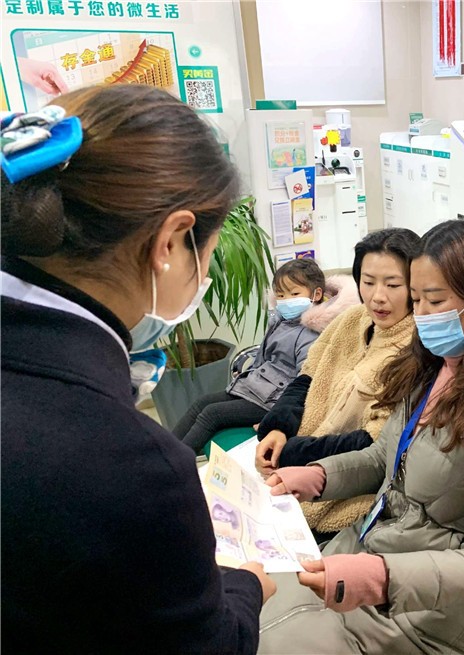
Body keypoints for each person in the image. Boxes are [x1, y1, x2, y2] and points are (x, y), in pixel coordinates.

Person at [1, 86, 276, 652]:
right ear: (171, 242)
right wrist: (245, 585)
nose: (203, 278)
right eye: (208, 254)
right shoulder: (128, 465)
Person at [257, 219, 464, 655]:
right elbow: (383, 458)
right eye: (417, 298)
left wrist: (379, 578)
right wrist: (316, 476)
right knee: (249, 603)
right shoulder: (436, 365)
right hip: (380, 547)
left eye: (435, 301)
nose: (421, 315)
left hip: (446, 611)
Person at [254, 228, 420, 535]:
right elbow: (307, 377)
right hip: (294, 467)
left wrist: (294, 452)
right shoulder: (351, 319)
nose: (378, 296)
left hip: (349, 488)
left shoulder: (417, 349)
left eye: (393, 284)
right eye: (368, 282)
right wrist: (278, 428)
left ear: (416, 286)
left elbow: (376, 443)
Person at [173, 258, 359, 452]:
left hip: (272, 401)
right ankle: (161, 455)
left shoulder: (312, 334)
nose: (286, 300)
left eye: (294, 293)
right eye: (280, 295)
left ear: (316, 294)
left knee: (212, 414)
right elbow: (263, 357)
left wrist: (276, 417)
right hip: (256, 388)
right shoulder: (281, 321)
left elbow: (305, 384)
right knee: (200, 404)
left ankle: (174, 464)